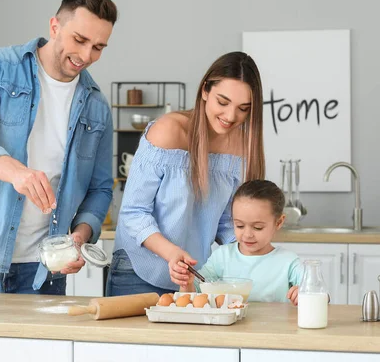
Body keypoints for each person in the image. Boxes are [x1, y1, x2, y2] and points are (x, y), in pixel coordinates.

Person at [0, 0, 118, 294]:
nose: (87, 56)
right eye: (80, 40)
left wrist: (80, 236)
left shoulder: (97, 106)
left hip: (44, 270)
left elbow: (101, 188)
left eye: (99, 47)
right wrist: (18, 173)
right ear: (55, 26)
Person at [107, 52, 265, 296]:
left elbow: (225, 221)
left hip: (193, 278)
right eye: (222, 102)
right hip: (138, 272)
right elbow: (133, 213)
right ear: (205, 91)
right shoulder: (168, 131)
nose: (231, 117)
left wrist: (253, 249)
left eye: (243, 109)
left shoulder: (240, 145)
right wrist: (171, 253)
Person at [180, 180, 303, 305]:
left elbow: (315, 290)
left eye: (257, 227)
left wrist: (304, 293)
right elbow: (193, 295)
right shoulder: (222, 257)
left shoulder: (288, 262)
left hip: (275, 325)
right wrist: (186, 282)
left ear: (278, 222)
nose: (247, 234)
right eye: (239, 225)